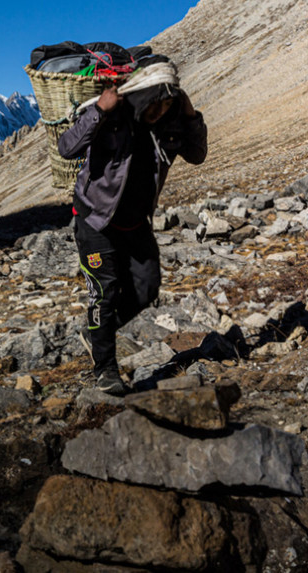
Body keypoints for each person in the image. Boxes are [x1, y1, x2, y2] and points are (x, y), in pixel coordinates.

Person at [57, 62, 207, 395]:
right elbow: (67, 147)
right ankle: (105, 370)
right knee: (105, 293)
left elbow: (197, 154)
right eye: (156, 101)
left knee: (147, 288)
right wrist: (99, 110)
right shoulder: (112, 115)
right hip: (96, 221)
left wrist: (189, 114)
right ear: (142, 96)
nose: (160, 109)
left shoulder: (169, 124)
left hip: (136, 223)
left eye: (167, 103)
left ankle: (99, 334)